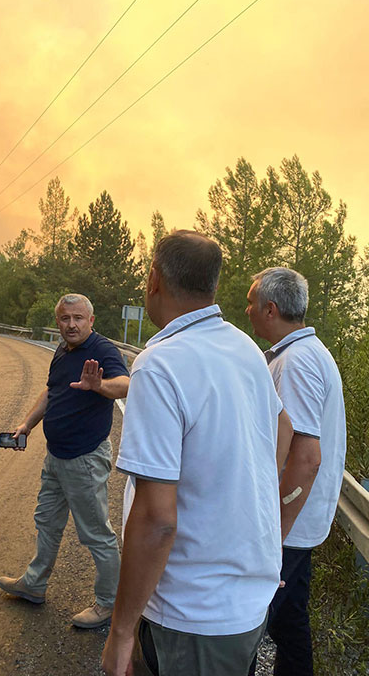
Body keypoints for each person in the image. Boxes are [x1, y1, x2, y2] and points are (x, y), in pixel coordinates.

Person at [102, 231, 289, 676]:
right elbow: (282, 428)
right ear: (213, 285)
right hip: (246, 600)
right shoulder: (245, 348)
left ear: (153, 280)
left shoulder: (160, 364)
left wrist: (121, 630)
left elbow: (156, 518)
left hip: (191, 614)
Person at [0, 293, 130, 628]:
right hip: (56, 456)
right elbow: (50, 391)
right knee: (47, 522)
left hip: (84, 458)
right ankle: (34, 583)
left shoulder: (101, 351)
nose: (71, 324)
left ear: (91, 321)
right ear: (58, 320)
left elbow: (125, 384)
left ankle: (109, 603)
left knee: (97, 533)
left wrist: (98, 385)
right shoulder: (62, 350)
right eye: (64, 318)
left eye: (78, 318)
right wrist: (27, 424)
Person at [245, 267, 346, 676]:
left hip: (287, 527)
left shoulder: (298, 363)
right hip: (299, 522)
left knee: (247, 629)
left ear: (270, 309)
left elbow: (306, 458)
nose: (246, 309)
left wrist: (273, 537)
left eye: (251, 303)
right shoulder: (304, 354)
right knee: (289, 625)